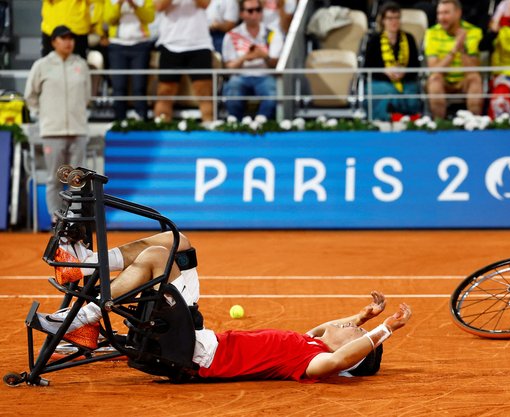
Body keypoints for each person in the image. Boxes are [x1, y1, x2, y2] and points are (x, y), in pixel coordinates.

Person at [37, 231, 413, 382]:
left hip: (192, 353)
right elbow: (336, 331)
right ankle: (86, 261)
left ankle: (78, 319)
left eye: (356, 333)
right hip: (196, 335)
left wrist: (386, 331)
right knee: (177, 241)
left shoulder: (311, 363)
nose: (349, 326)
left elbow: (342, 359)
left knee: (156, 256)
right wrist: (363, 317)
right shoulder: (308, 343)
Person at [24, 25, 91, 226]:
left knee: (77, 179)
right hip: (52, 131)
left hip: (78, 130)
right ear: (53, 41)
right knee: (55, 178)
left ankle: (75, 220)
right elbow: (30, 95)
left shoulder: (81, 64)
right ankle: (56, 218)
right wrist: (44, 115)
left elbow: (87, 96)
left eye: (71, 38)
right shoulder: (42, 65)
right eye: (63, 38)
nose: (68, 42)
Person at [221, 0, 284, 120]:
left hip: (265, 75)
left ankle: (261, 124)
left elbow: (276, 64)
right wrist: (245, 57)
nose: (254, 14)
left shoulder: (273, 34)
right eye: (250, 11)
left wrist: (263, 56)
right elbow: (228, 68)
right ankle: (235, 124)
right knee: (232, 90)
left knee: (272, 93)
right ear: (241, 14)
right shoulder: (231, 35)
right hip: (240, 75)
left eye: (258, 10)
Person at [154, 0, 214, 122]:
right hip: (170, 43)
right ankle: (162, 129)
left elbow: (205, 4)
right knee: (165, 92)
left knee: (205, 92)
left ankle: (209, 128)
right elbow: (159, 6)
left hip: (199, 44)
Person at [425, 0, 483, 119]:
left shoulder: (474, 32)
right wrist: (454, 49)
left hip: (464, 81)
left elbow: (473, 70)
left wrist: (462, 49)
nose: (441, 17)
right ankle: (439, 125)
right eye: (439, 13)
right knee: (434, 79)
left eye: (446, 13)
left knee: (475, 79)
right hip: (443, 80)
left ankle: (475, 124)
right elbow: (435, 70)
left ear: (458, 13)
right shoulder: (431, 33)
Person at [364, 2, 422, 121]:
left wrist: (404, 72)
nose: (394, 22)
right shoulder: (374, 40)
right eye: (390, 18)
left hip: (406, 81)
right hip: (381, 81)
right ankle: (383, 121)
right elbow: (367, 68)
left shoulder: (409, 38)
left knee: (410, 93)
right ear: (383, 20)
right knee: (387, 92)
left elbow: (416, 66)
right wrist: (384, 71)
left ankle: (410, 122)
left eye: (397, 18)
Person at [103, 0, 155, 120]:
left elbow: (150, 17)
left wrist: (134, 5)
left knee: (140, 87)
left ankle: (141, 120)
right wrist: (119, 4)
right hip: (117, 45)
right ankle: (120, 121)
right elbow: (109, 19)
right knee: (119, 87)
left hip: (140, 45)